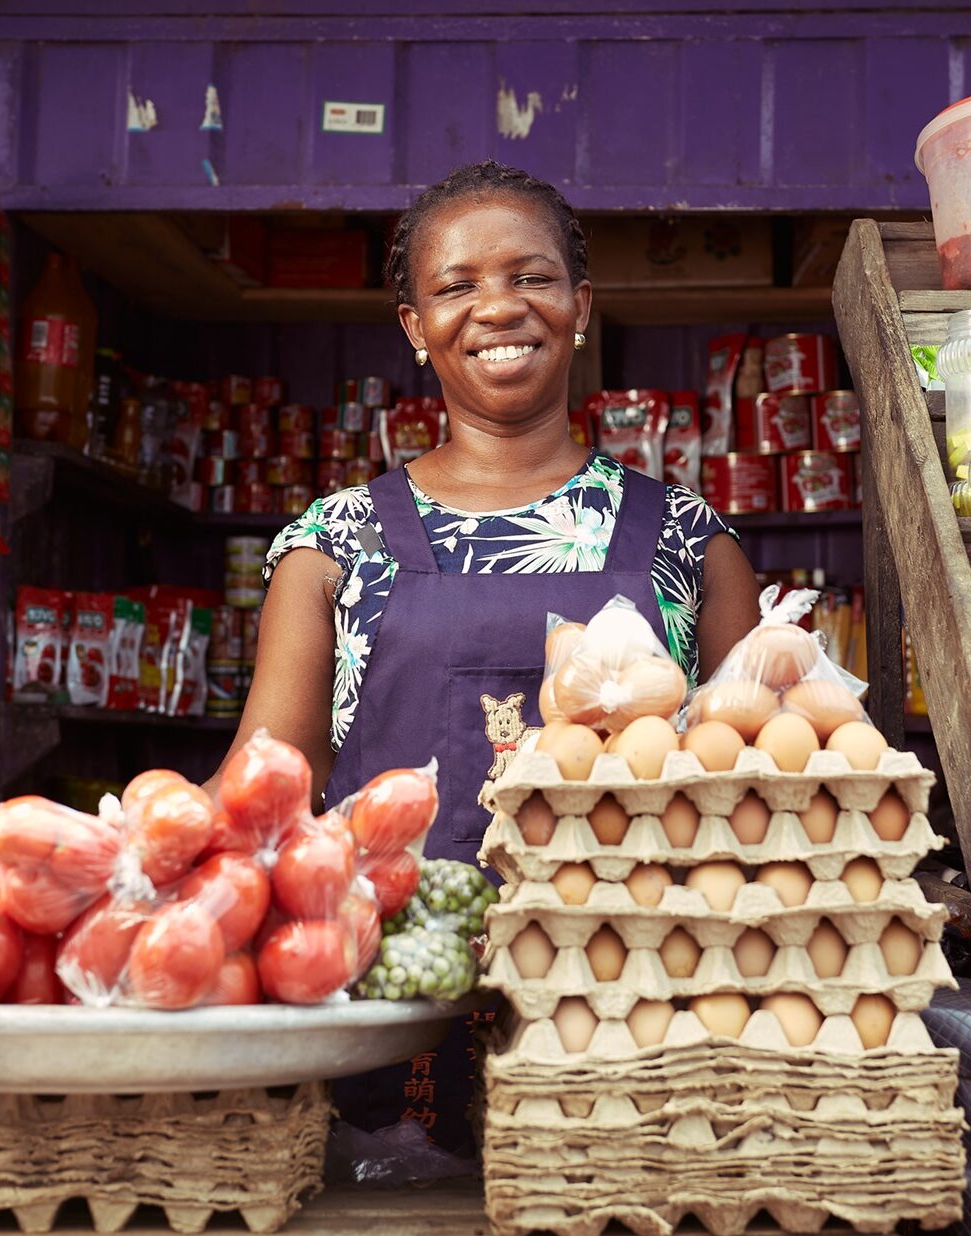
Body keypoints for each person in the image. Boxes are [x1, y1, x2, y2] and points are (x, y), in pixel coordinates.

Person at [211, 160, 761, 1152]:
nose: (497, 306)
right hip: (388, 1013)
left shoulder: (688, 540)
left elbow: (761, 791)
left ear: (578, 305)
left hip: (633, 1011)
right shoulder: (334, 545)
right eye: (455, 286)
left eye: (531, 278)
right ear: (414, 326)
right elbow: (267, 790)